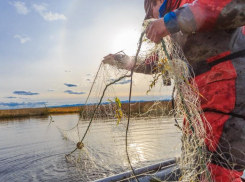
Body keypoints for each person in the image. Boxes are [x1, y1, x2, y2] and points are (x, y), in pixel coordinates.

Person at [104, 0, 245, 181]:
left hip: (228, 98)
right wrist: (120, 60)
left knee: (218, 170)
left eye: (150, 14)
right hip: (200, 107)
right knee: (197, 163)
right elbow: (155, 62)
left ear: (157, 2)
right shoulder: (173, 35)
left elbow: (236, 5)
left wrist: (171, 20)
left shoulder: (186, 6)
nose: (150, 20)